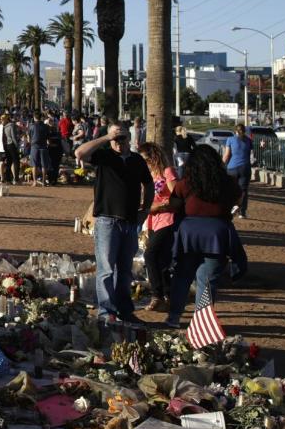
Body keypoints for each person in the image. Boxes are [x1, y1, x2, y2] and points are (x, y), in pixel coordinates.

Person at [74, 123, 154, 322]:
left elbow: (148, 183)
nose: (119, 142)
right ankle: (106, 312)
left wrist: (145, 210)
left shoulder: (136, 160)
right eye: (115, 139)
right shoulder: (104, 157)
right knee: (106, 270)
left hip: (130, 222)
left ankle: (125, 310)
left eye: (122, 137)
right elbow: (80, 152)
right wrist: (106, 137)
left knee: (125, 270)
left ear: (128, 138)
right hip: (107, 221)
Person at [165, 145, 248, 328]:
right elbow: (238, 199)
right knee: (208, 281)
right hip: (217, 235)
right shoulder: (228, 183)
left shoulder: (186, 183)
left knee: (182, 277)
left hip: (188, 235)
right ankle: (202, 322)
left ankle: (174, 317)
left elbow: (174, 204)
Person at [138, 142, 180, 312]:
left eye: (146, 160)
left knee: (150, 255)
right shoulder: (149, 175)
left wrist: (161, 206)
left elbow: (178, 198)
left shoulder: (167, 172)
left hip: (168, 219)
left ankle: (157, 296)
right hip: (153, 221)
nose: (144, 163)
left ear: (153, 157)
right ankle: (168, 295)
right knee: (161, 261)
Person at [221, 124, 253, 219]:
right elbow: (250, 155)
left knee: (231, 189)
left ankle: (231, 207)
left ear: (235, 131)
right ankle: (242, 212)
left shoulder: (230, 140)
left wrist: (221, 164)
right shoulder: (249, 141)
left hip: (232, 168)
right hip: (245, 168)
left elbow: (226, 155)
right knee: (243, 190)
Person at [28, 112, 52, 186]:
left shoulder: (31, 126)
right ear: (41, 118)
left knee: (34, 165)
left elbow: (29, 138)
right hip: (43, 146)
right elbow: (48, 138)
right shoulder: (46, 126)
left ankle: (35, 181)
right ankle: (44, 181)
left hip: (34, 146)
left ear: (34, 117)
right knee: (44, 165)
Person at [0, 113, 20, 184]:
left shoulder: (2, 127)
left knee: (8, 162)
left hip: (5, 146)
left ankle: (7, 179)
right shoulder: (11, 125)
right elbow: (13, 137)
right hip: (11, 144)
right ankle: (16, 179)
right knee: (16, 162)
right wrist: (17, 146)